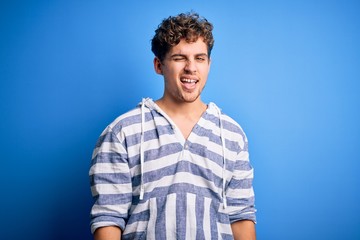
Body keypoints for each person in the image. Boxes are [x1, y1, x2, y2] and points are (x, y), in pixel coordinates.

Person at [89, 12, 256, 240]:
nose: (191, 68)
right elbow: (108, 218)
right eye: (179, 58)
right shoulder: (122, 132)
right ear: (159, 65)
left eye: (199, 58)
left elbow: (241, 216)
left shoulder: (232, 135)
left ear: (209, 64)